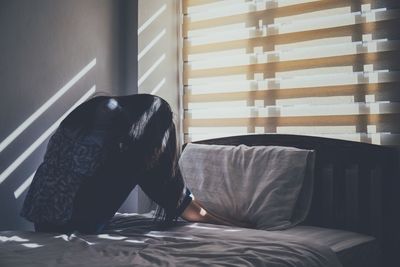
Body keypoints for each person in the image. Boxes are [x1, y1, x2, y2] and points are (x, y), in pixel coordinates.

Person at [21, 94, 235, 234]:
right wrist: (226, 223)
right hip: (76, 222)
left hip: (41, 218)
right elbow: (170, 192)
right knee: (143, 157)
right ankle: (223, 221)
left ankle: (218, 218)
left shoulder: (88, 114)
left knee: (145, 162)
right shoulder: (128, 142)